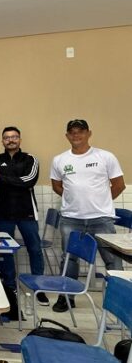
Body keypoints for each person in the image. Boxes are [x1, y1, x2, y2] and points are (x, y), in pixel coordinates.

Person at [50, 119, 125, 312]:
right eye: (72, 132)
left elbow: (119, 185)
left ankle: (122, 300)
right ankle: (66, 297)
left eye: (81, 131)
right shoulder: (59, 160)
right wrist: (75, 200)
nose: (76, 135)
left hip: (101, 219)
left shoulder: (105, 156)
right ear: (67, 136)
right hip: (71, 219)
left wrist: (101, 203)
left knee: (112, 260)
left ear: (88, 133)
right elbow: (57, 185)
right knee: (69, 259)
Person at [0, 126, 48, 306]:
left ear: (20, 140)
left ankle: (39, 288)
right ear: (2, 141)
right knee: (5, 251)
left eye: (14, 137)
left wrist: (3, 178)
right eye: (7, 137)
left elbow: (30, 180)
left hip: (27, 213)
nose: (11, 140)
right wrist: (17, 180)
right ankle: (9, 286)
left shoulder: (31, 159)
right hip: (3, 213)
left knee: (34, 249)